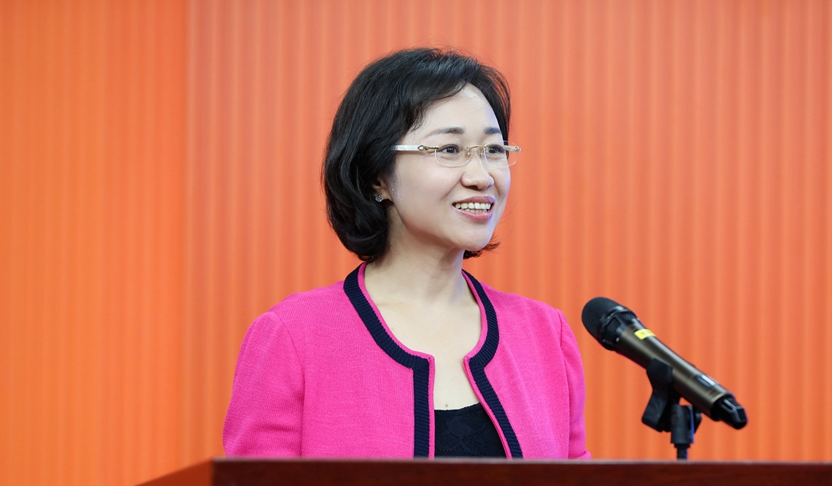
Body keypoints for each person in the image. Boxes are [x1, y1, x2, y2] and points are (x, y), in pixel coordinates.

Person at [223, 48, 588, 459]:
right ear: (377, 176)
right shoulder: (293, 338)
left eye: (493, 150)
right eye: (449, 149)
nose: (481, 176)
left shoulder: (545, 336)